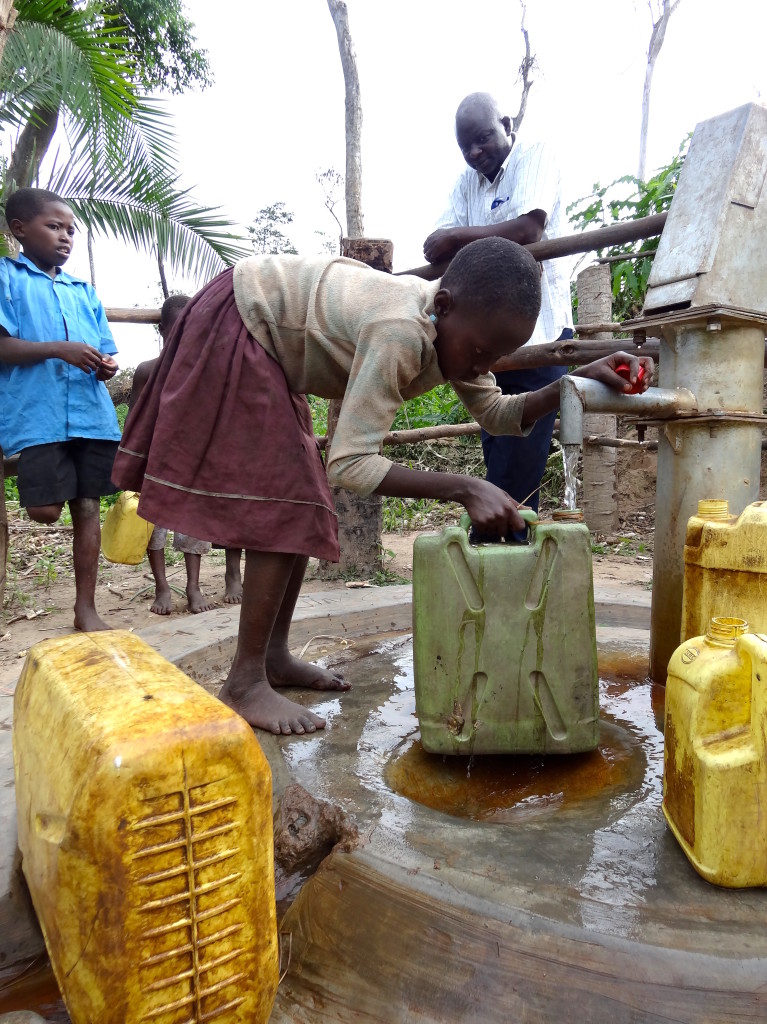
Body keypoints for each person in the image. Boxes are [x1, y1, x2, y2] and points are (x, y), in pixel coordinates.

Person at [113, 238, 650, 736]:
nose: (484, 366)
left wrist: (573, 384)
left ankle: (272, 657)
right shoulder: (401, 330)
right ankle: (245, 683)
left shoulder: (458, 332)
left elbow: (496, 411)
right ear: (444, 308)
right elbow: (349, 465)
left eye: (496, 357)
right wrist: (462, 487)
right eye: (482, 353)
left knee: (299, 505)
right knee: (286, 504)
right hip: (243, 320)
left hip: (266, 339)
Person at [424, 92, 573, 536]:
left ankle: (494, 551)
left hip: (538, 335)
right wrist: (453, 240)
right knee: (502, 449)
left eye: (484, 138)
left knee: (515, 464)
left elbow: (529, 228)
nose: (475, 153)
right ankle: (516, 558)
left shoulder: (535, 156)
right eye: (466, 146)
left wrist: (457, 237)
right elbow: (437, 249)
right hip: (487, 343)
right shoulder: (465, 183)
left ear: (506, 125)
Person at [0, 187, 120, 631]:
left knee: (88, 506)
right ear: (19, 229)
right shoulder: (6, 278)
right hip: (38, 414)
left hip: (91, 412)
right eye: (54, 227)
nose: (65, 237)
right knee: (45, 510)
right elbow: (2, 346)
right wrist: (60, 350)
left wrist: (106, 366)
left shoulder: (83, 290)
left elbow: (106, 350)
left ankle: (85, 608)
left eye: (71, 230)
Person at [130, 295, 214, 615]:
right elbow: (135, 422)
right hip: (155, 463)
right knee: (155, 529)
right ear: (161, 329)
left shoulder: (204, 373)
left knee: (194, 526)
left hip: (193, 461)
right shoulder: (147, 371)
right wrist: (134, 466)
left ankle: (194, 587)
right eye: (175, 329)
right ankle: (162, 586)